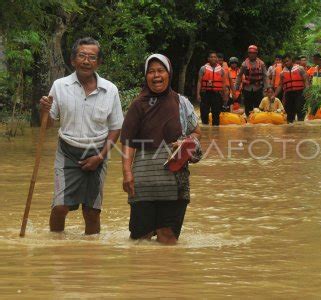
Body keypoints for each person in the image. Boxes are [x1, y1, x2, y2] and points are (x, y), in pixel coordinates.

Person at [39, 37, 124, 234]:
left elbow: (115, 128)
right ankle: (56, 248)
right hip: (67, 152)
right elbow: (48, 124)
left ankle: (90, 257)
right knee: (60, 208)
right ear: (73, 60)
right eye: (82, 56)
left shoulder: (110, 90)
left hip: (97, 153)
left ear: (99, 62)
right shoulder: (60, 86)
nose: (86, 61)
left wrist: (100, 157)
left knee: (92, 211)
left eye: (92, 57)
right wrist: (44, 110)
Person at [121, 54, 201, 245]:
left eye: (160, 71)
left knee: (168, 238)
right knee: (141, 239)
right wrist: (126, 172)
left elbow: (197, 132)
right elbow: (127, 141)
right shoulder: (137, 105)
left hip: (174, 181)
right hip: (143, 179)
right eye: (151, 71)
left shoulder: (181, 103)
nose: (156, 75)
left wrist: (186, 141)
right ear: (146, 76)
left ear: (169, 73)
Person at [234, 45, 268, 116]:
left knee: (258, 107)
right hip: (247, 88)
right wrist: (235, 87)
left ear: (256, 53)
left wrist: (266, 88)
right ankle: (249, 122)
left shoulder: (261, 63)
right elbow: (239, 75)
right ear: (248, 53)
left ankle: (257, 123)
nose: (252, 54)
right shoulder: (244, 64)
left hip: (258, 88)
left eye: (253, 53)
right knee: (248, 108)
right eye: (250, 53)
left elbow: (265, 76)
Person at [275, 53, 309, 123]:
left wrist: (307, 91)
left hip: (300, 93)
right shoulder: (282, 73)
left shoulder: (300, 69)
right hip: (289, 94)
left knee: (300, 112)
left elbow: (306, 81)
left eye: (287, 61)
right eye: (284, 62)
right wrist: (274, 95)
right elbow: (280, 85)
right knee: (289, 115)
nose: (286, 63)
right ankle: (290, 131)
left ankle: (301, 129)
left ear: (291, 60)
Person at [197, 50, 226, 126]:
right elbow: (199, 82)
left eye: (215, 57)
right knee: (204, 113)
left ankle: (215, 134)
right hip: (205, 93)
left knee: (216, 114)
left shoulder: (222, 70)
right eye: (211, 57)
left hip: (216, 94)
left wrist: (224, 96)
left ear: (217, 59)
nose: (213, 58)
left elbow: (223, 84)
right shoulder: (203, 68)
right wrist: (198, 94)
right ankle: (205, 130)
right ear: (208, 59)